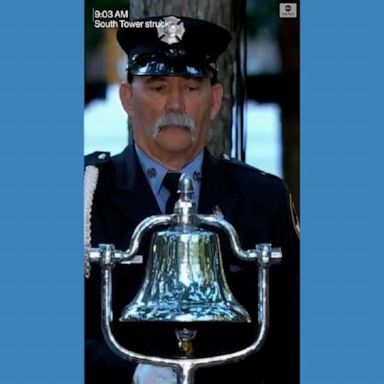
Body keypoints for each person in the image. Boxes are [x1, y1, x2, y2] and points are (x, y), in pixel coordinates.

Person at [85, 15, 299, 384]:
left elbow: (295, 341)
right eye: (157, 87)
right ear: (127, 99)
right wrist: (131, 373)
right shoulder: (84, 196)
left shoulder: (263, 199)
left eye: (191, 87)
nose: (175, 105)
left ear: (214, 100)